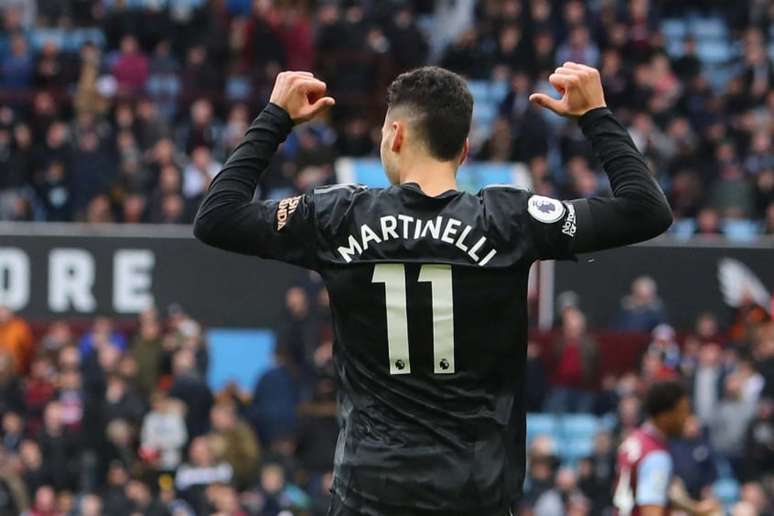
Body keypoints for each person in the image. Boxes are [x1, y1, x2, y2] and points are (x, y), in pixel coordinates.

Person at [194, 64, 673, 514]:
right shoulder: (508, 220)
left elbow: (217, 217)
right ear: (464, 150)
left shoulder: (338, 218)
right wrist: (595, 116)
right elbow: (646, 209)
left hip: (369, 491)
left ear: (396, 135)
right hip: (476, 494)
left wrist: (275, 119)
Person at [613, 380, 718, 516]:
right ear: (665, 416)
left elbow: (651, 493)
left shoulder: (635, 439)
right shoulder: (656, 456)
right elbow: (650, 511)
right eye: (683, 411)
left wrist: (695, 509)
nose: (686, 418)